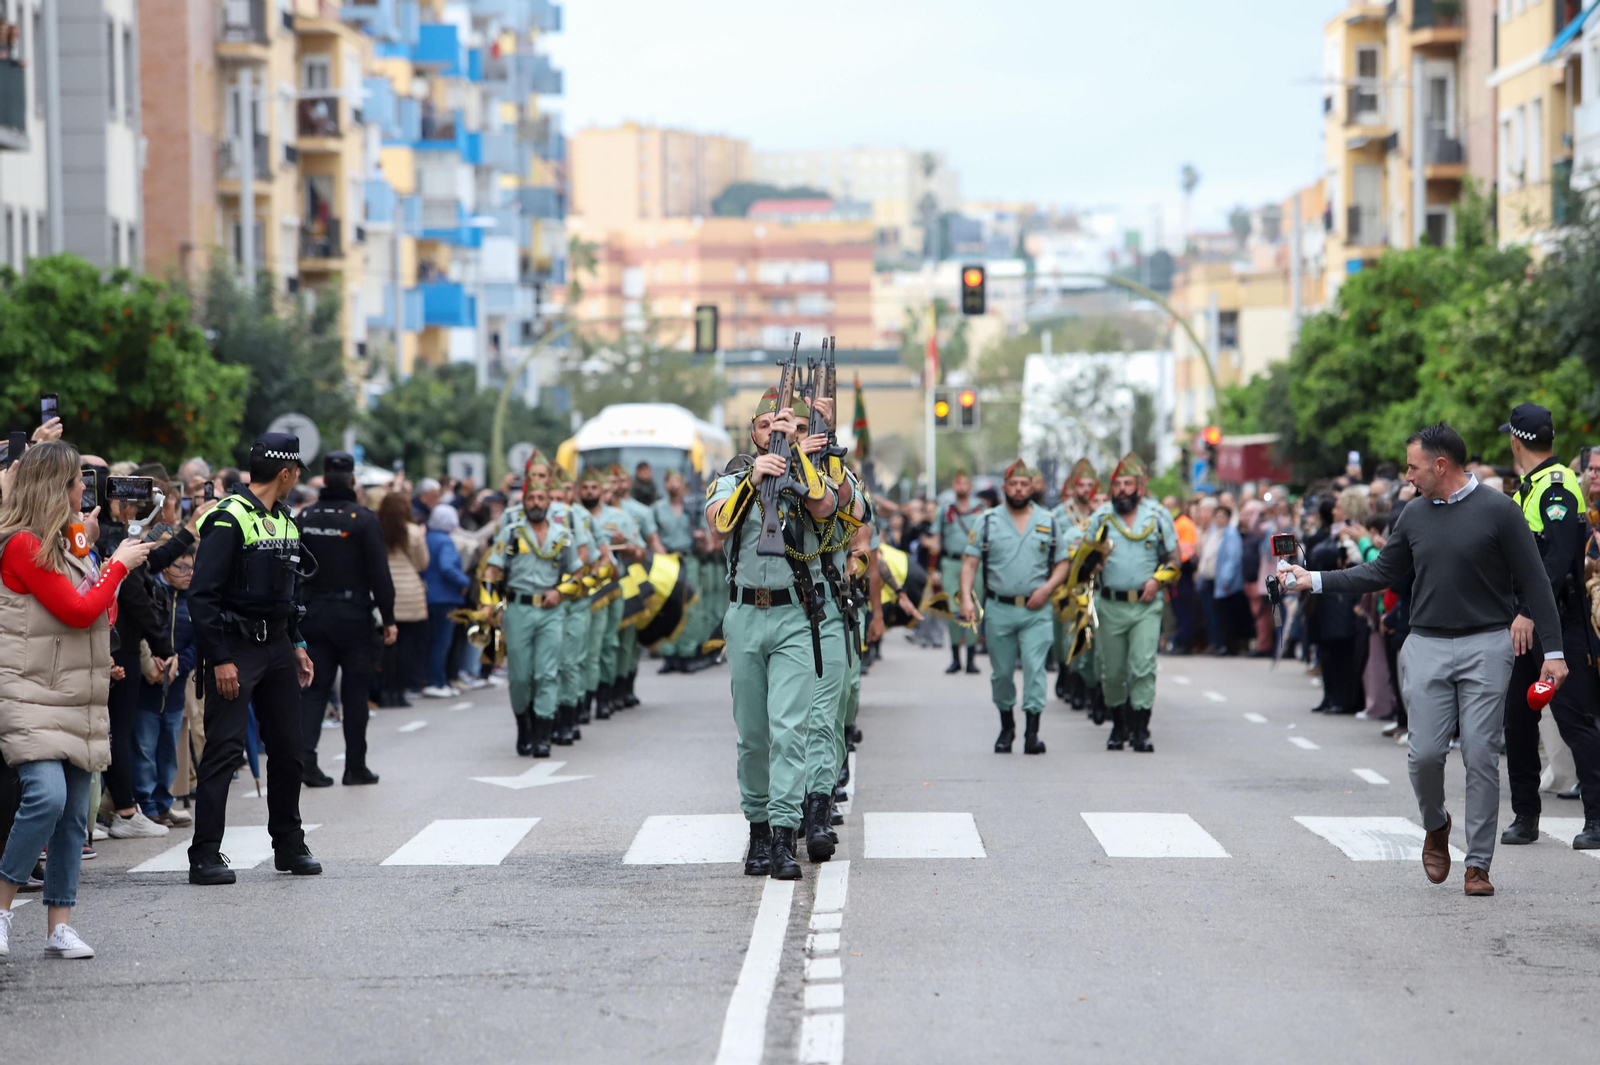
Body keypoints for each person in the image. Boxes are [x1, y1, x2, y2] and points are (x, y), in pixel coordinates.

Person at [1288, 423, 1566, 897]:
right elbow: (1381, 571)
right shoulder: (1414, 514)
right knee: (1425, 756)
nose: (1408, 476)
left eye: (1414, 467)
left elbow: (1536, 582)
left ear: (1441, 465)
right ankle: (1436, 825)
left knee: (1480, 752)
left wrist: (1554, 653)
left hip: (1486, 645)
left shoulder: (1500, 510)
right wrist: (1312, 579)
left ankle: (1478, 865)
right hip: (1426, 645)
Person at [1, 443, 157, 959]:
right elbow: (76, 610)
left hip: (74, 693)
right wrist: (117, 566)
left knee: (72, 816)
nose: (83, 492)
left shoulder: (66, 540)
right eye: (77, 482)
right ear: (55, 487)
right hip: (32, 692)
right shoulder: (22, 544)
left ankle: (59, 925)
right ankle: (1, 909)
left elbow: (98, 611)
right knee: (46, 797)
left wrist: (100, 559)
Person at [707, 386, 838, 881]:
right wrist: (753, 480)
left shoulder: (810, 475)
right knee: (753, 736)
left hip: (794, 618)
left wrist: (798, 457)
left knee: (789, 731)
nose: (773, 433)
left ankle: (784, 836)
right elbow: (719, 524)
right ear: (753, 434)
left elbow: (826, 508)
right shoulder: (731, 480)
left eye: (782, 426)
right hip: (744, 615)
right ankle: (758, 831)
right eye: (765, 426)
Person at [186, 433, 321, 886]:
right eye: (296, 471)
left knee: (288, 749)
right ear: (286, 473)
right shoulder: (228, 517)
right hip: (236, 647)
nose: (296, 478)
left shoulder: (285, 518)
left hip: (278, 644)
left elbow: (287, 591)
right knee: (224, 751)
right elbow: (202, 597)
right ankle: (205, 854)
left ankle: (289, 844)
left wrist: (297, 643)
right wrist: (221, 658)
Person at [1497, 405, 1600, 849]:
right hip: (1526, 622)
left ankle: (1597, 818)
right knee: (1519, 721)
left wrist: (1529, 611)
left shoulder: (1555, 486)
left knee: (1574, 719)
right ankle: (1526, 816)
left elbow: (1555, 561)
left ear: (1515, 441)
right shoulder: (1531, 486)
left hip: (1557, 620)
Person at [295, 452, 396, 787]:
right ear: (353, 481)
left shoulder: (306, 516)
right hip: (353, 617)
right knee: (354, 692)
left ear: (324, 480)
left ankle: (307, 762)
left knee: (314, 690)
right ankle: (355, 767)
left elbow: (292, 569)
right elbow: (380, 574)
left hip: (313, 614)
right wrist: (389, 618)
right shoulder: (363, 519)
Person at [959, 461, 1070, 756]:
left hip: (1037, 610)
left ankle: (1032, 733)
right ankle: (1006, 727)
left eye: (1024, 484)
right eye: (1013, 484)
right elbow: (970, 563)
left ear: (1032, 487)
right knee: (1002, 672)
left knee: (1035, 668)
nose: (1019, 489)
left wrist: (1047, 588)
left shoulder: (1048, 521)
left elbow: (1063, 563)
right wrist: (967, 598)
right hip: (1000, 608)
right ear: (1005, 488)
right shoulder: (987, 521)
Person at [1088, 454, 1181, 752]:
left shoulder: (1158, 516)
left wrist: (1157, 580)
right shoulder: (1101, 517)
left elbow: (1174, 559)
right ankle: (1119, 726)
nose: (1122, 490)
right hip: (1110, 604)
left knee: (1143, 667)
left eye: (1128, 484)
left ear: (1140, 487)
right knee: (1113, 671)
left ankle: (1141, 730)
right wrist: (1092, 564)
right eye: (1117, 485)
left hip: (1146, 606)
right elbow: (1083, 557)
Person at [483, 484, 578, 757]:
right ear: (523, 502)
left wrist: (560, 591)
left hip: (551, 611)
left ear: (549, 503)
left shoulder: (564, 535)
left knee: (547, 673)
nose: (536, 502)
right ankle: (524, 727)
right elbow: (492, 570)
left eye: (541, 498)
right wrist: (489, 604)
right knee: (520, 677)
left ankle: (542, 734)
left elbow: (579, 574)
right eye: (531, 498)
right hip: (518, 609)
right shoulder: (511, 533)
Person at [134, 547, 197, 826]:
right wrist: (153, 664)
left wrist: (178, 665)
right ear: (165, 568)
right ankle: (145, 804)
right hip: (148, 685)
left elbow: (199, 642)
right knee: (144, 748)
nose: (188, 573)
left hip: (176, 688)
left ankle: (163, 803)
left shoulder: (194, 601)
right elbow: (142, 631)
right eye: (181, 567)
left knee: (169, 749)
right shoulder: (152, 593)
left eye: (191, 567)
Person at [1052, 459, 1101, 709]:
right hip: (1068, 582)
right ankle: (1070, 677)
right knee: (1068, 634)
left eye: (1090, 486)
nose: (1086, 490)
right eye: (1082, 485)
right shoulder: (1059, 515)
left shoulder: (1101, 512)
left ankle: (1089, 684)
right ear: (1073, 487)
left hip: (1095, 582)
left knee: (1092, 633)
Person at [930, 470, 986, 674]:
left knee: (974, 606)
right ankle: (955, 658)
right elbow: (936, 540)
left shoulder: (982, 509)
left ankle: (971, 658)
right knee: (952, 608)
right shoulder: (945, 510)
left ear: (970, 486)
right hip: (951, 563)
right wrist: (932, 569)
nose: (961, 487)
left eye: (965, 483)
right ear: (954, 486)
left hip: (975, 563)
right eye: (958, 483)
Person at [378, 492, 430, 706]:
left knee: (385, 646)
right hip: (410, 593)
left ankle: (384, 690)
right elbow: (423, 563)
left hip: (384, 590)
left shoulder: (376, 529)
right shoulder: (414, 532)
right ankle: (399, 691)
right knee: (407, 646)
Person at [652, 469, 699, 674]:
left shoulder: (693, 506)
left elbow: (705, 529)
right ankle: (669, 654)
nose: (673, 485)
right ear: (665, 484)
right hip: (667, 559)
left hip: (688, 557)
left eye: (677, 481)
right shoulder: (657, 509)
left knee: (689, 605)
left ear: (683, 484)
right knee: (667, 606)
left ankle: (686, 653)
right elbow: (652, 536)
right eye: (669, 481)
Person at [422, 504, 472, 698]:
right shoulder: (446, 542)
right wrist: (464, 581)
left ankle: (438, 679)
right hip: (446, 597)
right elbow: (447, 566)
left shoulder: (428, 538)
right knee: (442, 642)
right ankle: (438, 681)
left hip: (429, 596)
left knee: (433, 641)